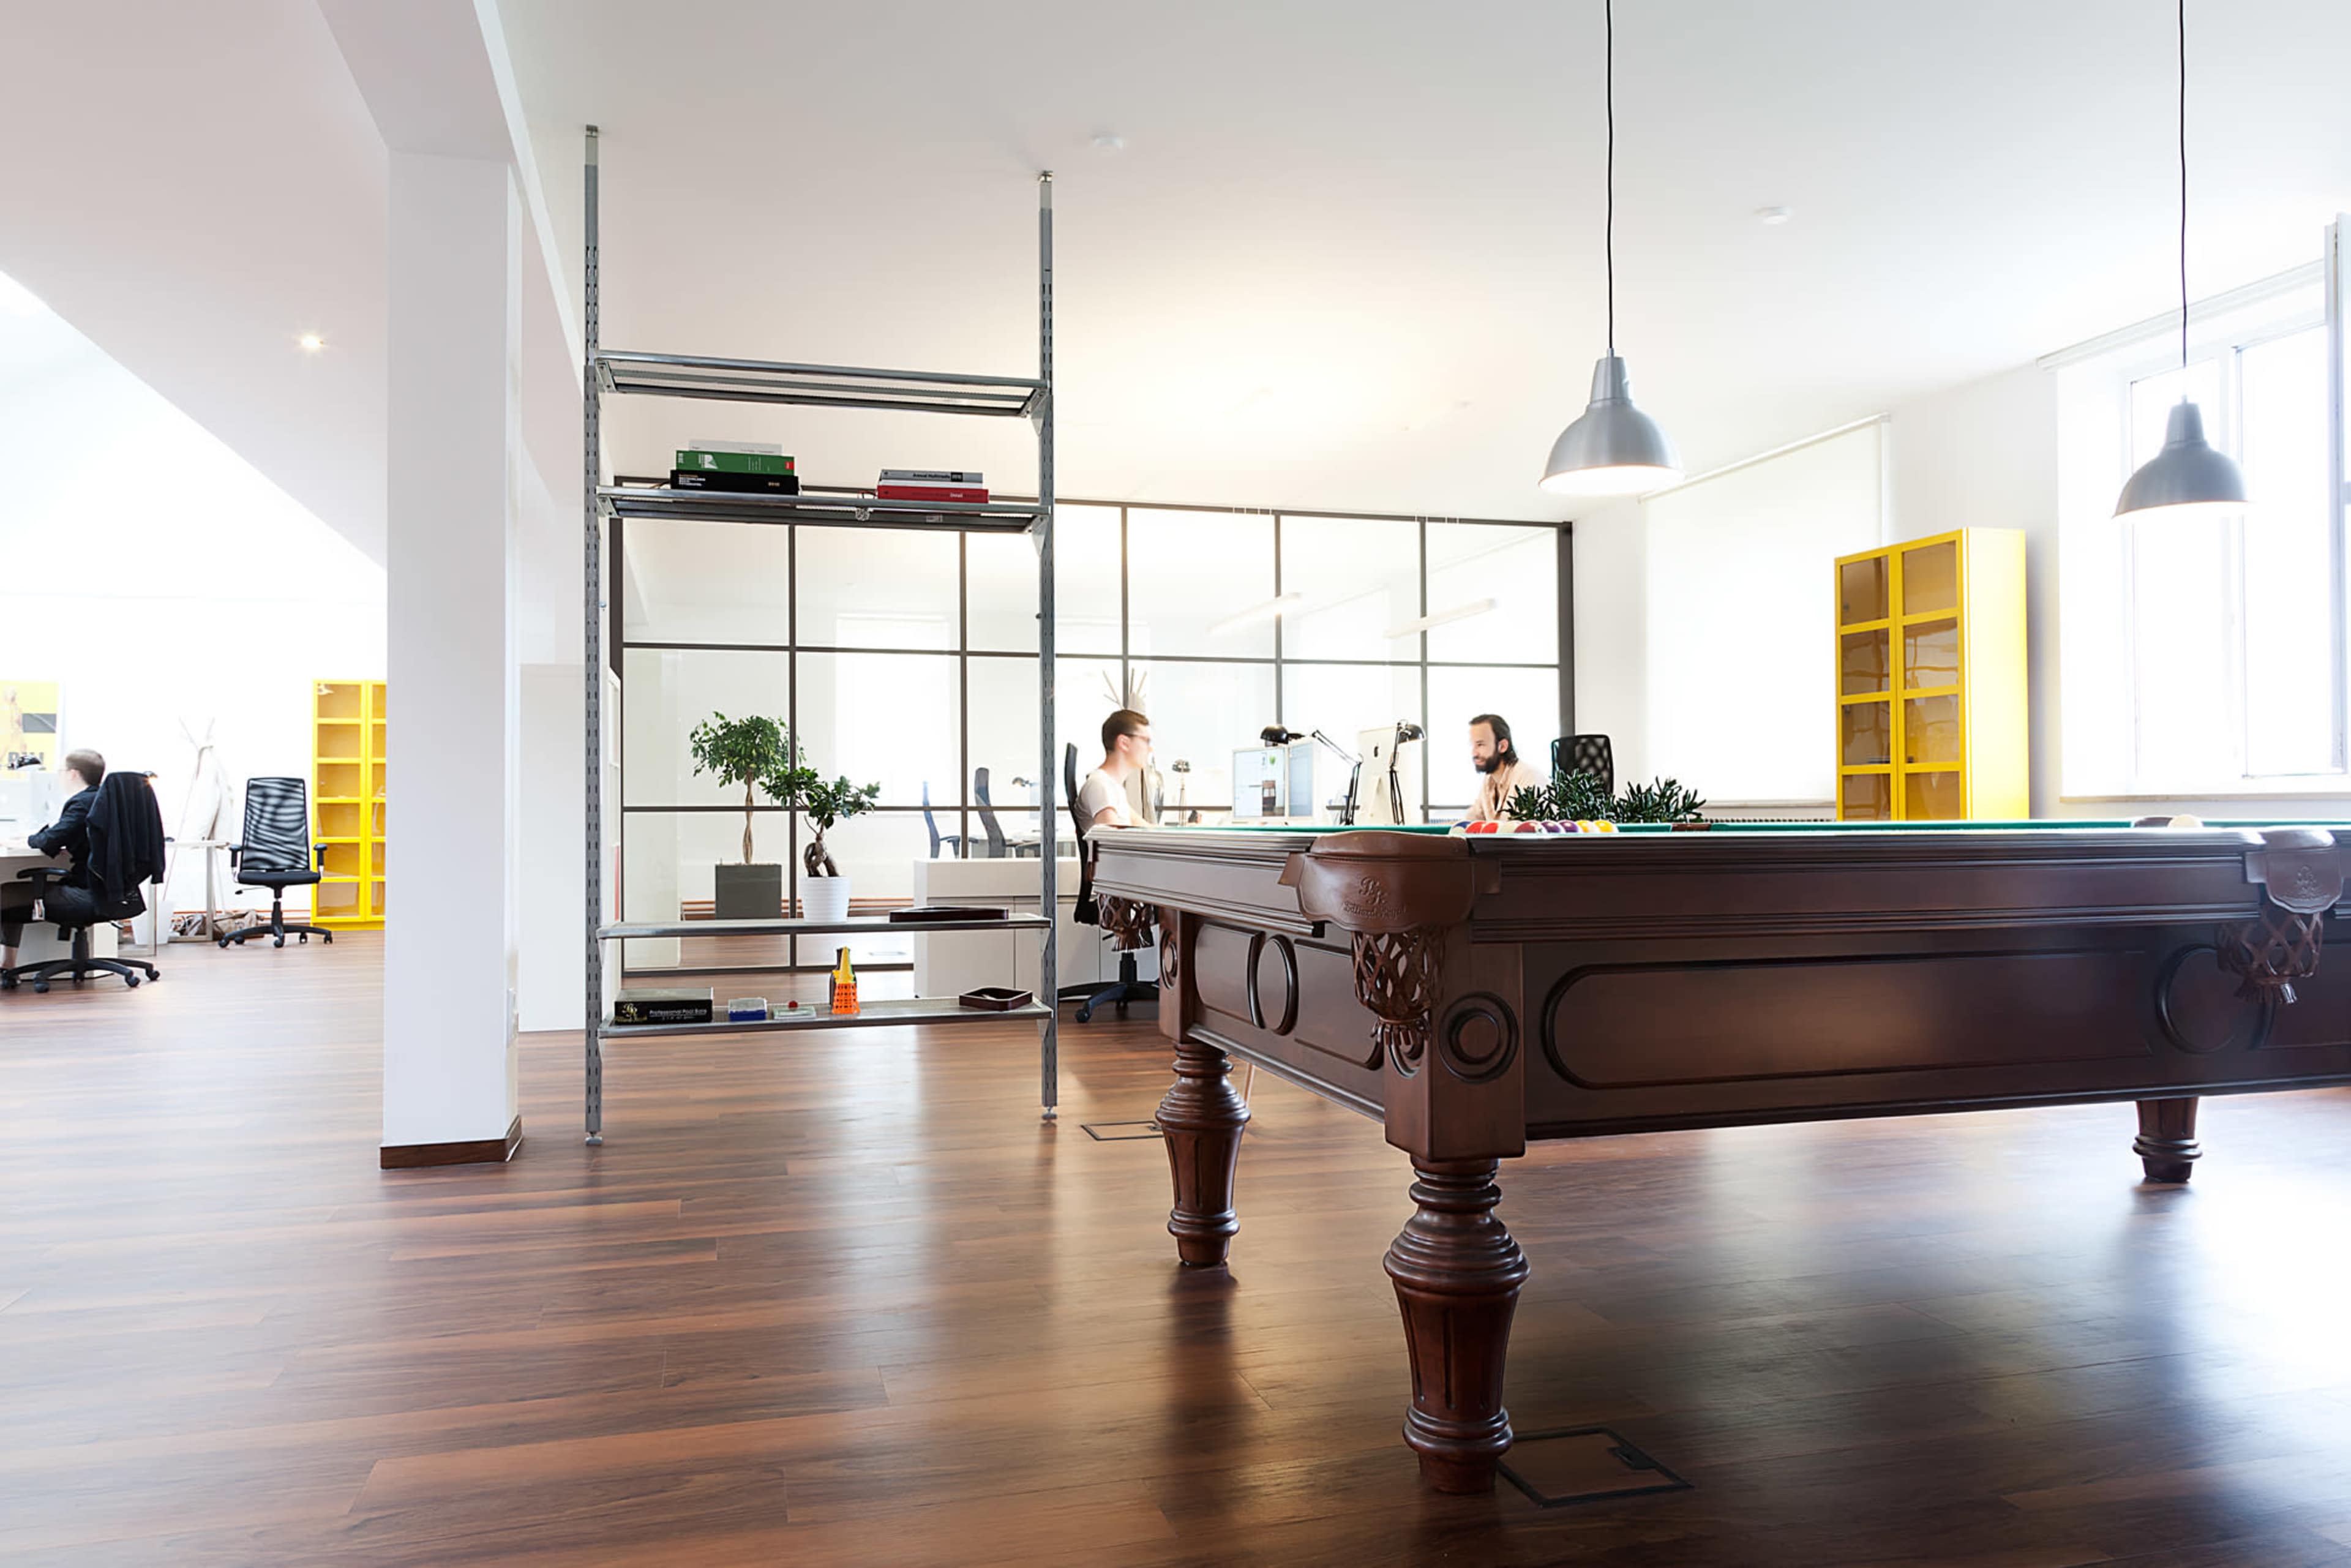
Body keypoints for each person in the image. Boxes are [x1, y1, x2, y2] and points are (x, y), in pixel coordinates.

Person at [1, 749, 104, 971]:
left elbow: (51, 839)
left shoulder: (82, 803)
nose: (59, 777)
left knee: (5, 895)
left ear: (73, 774)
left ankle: (8, 967)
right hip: (116, 893)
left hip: (85, 893)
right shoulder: (106, 801)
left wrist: (27, 840)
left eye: (61, 772)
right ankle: (7, 966)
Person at [1077, 710, 1152, 831]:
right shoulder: (1100, 785)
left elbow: (1149, 829)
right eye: (1146, 741)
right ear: (1124, 743)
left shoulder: (1113, 788)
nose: (1150, 749)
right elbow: (1112, 842)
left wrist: (1187, 828)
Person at [1466, 714, 1540, 823]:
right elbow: (1469, 821)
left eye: (1480, 745)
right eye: (1472, 745)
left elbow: (1530, 831)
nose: (1474, 753)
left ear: (1503, 746)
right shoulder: (1489, 780)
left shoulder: (1529, 777)